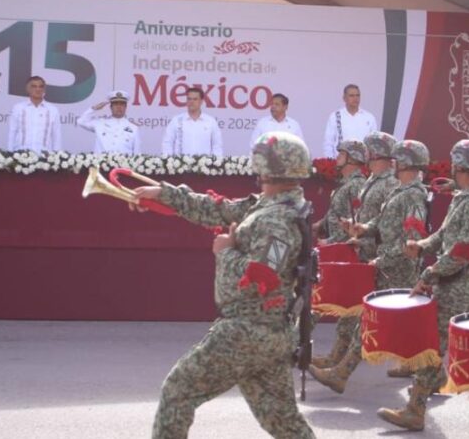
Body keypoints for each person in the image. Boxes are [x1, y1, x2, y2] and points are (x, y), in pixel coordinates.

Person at [133, 131, 316, 439]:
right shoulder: (272, 206)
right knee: (285, 423)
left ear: (264, 167)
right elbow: (217, 210)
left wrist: (225, 251)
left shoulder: (276, 220)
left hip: (247, 330)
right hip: (271, 333)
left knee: (178, 392)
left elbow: (262, 278)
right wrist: (162, 194)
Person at [384, 140, 469, 431]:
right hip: (451, 281)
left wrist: (430, 273)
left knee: (437, 345)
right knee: (435, 345)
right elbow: (446, 235)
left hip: (463, 283)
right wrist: (421, 246)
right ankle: (421, 399)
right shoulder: (466, 196)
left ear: (461, 164)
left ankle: (416, 409)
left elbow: (466, 250)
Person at [309, 139, 429, 395]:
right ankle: (341, 372)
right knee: (377, 323)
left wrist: (381, 259)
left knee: (374, 322)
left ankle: (341, 373)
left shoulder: (414, 195)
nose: (393, 163)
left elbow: (412, 242)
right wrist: (364, 229)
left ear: (407, 163)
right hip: (386, 265)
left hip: (397, 269)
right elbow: (382, 220)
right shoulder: (401, 190)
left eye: (398, 160)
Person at [309, 139, 369, 371]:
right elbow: (337, 216)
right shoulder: (345, 184)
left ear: (352, 159)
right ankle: (336, 357)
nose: (338, 158)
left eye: (342, 154)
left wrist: (330, 241)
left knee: (331, 303)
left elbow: (355, 223)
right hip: (335, 250)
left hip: (345, 251)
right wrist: (319, 225)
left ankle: (334, 358)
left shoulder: (356, 186)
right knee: (340, 307)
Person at [77, 90, 141, 155]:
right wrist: (94, 108)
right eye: (115, 104)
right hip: (101, 164)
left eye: (122, 104)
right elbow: (81, 121)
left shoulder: (133, 128)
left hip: (123, 165)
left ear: (126, 107)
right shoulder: (100, 123)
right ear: (111, 107)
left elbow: (137, 153)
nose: (119, 107)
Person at [162, 87, 222, 156]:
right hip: (180, 165)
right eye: (189, 99)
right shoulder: (176, 120)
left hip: (204, 165)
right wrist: (169, 161)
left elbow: (217, 145)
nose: (191, 102)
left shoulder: (210, 121)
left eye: (195, 99)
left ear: (201, 101)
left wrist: (215, 163)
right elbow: (167, 143)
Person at [8, 76, 61, 152]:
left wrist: (56, 156)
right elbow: (12, 132)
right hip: (21, 155)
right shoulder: (18, 108)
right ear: (28, 89)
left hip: (44, 157)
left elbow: (56, 135)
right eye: (34, 86)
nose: (38, 89)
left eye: (41, 87)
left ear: (44, 89)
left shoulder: (53, 110)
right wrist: (10, 153)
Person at [322, 84, 377, 158]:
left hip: (363, 163)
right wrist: (331, 162)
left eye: (358, 95)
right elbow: (328, 143)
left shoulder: (369, 117)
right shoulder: (335, 116)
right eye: (351, 95)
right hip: (341, 163)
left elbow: (373, 144)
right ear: (344, 98)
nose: (355, 98)